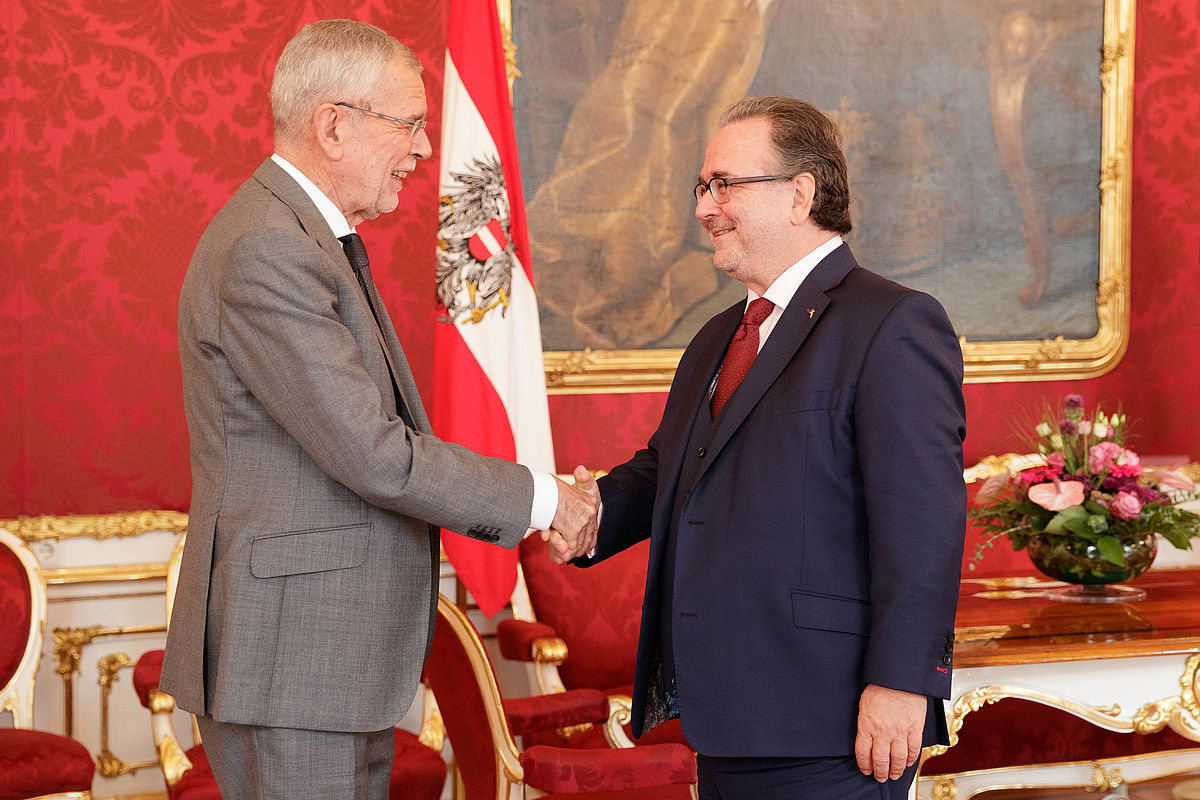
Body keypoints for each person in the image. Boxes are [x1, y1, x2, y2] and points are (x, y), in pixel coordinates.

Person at [160, 19, 597, 800]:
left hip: (325, 657)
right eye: (411, 125)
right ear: (335, 125)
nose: (426, 151)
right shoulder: (271, 249)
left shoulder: (303, 239)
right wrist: (546, 498)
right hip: (294, 661)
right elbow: (374, 453)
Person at [573, 96, 966, 799]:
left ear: (799, 195)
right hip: (727, 712)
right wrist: (589, 513)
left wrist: (903, 681)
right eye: (702, 187)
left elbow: (923, 527)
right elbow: (672, 469)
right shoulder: (718, 336)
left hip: (834, 720)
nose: (704, 208)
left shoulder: (894, 324)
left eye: (724, 184)